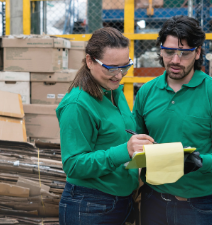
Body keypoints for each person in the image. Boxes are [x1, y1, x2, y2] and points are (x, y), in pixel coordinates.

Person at [132, 15, 212, 225]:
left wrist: (200, 161)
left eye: (184, 53)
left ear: (198, 52)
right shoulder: (146, 92)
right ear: (160, 50)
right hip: (152, 201)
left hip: (197, 206)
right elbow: (135, 138)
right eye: (169, 52)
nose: (175, 60)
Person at [57, 27, 155, 225]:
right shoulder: (77, 105)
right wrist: (125, 150)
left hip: (121, 201)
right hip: (90, 205)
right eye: (110, 68)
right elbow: (73, 165)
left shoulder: (114, 92)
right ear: (89, 61)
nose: (119, 76)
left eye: (124, 67)